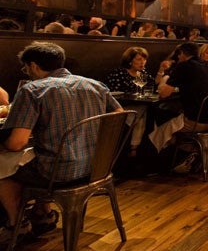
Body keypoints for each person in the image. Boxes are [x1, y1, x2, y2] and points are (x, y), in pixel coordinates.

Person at [0, 41, 122, 240]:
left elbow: (17, 143)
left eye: (26, 67)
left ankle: (17, 223)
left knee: (5, 164)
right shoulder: (94, 85)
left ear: (33, 66)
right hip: (96, 168)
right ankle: (43, 214)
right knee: (38, 156)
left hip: (57, 174)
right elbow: (119, 114)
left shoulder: (32, 90)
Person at [152, 43, 208, 171]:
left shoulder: (184, 66)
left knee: (158, 123)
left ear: (182, 53)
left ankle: (157, 164)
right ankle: (185, 154)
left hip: (195, 121)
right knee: (168, 117)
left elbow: (164, 94)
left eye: (179, 54)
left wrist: (165, 78)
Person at [106, 47, 157, 156]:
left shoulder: (141, 73)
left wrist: (161, 71)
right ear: (130, 61)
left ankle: (134, 147)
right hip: (121, 106)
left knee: (143, 110)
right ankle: (135, 147)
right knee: (142, 111)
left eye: (144, 59)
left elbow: (152, 87)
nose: (142, 62)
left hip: (137, 106)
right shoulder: (119, 73)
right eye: (139, 59)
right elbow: (113, 94)